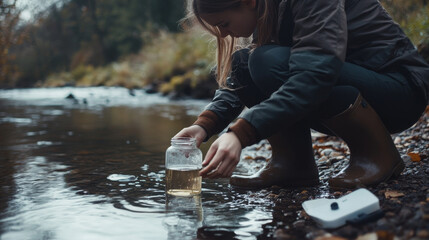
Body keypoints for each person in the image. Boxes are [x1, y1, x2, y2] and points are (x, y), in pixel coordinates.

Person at [174, 0, 429, 190]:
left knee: (265, 60)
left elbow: (314, 76)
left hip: (401, 91)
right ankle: (293, 166)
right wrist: (204, 126)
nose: (224, 34)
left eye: (224, 24)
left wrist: (240, 134)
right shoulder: (270, 10)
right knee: (246, 61)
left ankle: (376, 154)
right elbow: (238, 81)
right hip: (355, 85)